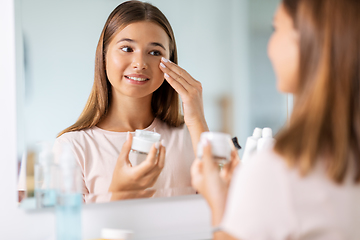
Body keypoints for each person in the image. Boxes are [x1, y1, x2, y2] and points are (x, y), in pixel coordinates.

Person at [191, 0, 360, 239]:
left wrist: (219, 204)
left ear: (308, 41)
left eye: (276, 29)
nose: (270, 45)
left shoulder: (281, 171)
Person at [55, 0, 208, 202]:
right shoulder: (72, 147)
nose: (140, 64)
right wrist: (118, 195)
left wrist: (198, 121)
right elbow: (69, 231)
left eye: (155, 52)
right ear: (103, 56)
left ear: (170, 63)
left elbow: (228, 208)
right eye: (127, 49)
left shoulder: (190, 137)